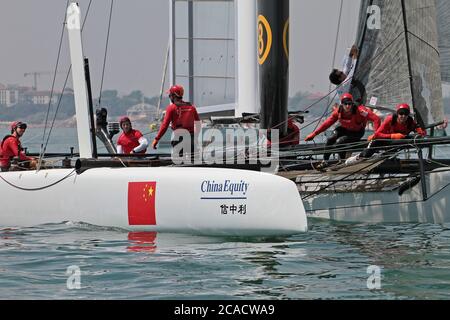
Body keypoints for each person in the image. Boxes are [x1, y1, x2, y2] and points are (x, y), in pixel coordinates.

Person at [305, 93, 381, 170]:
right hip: (345, 129)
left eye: (349, 104)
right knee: (330, 139)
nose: (347, 106)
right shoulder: (338, 111)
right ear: (342, 104)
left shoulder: (360, 110)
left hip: (357, 132)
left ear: (352, 103)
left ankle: (342, 161)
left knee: (339, 142)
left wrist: (376, 135)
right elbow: (327, 124)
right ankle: (325, 161)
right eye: (345, 104)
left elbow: (376, 119)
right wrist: (314, 134)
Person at [345, 103, 427, 165]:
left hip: (397, 143)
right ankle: (355, 159)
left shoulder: (410, 122)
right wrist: (393, 136)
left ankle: (383, 158)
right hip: (385, 140)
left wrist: (421, 132)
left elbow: (421, 132)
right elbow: (377, 134)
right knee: (368, 153)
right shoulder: (390, 119)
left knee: (414, 140)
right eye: (401, 113)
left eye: (406, 113)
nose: (403, 116)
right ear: (397, 113)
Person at [152, 85, 200, 155]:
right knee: (194, 162)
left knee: (178, 162)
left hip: (179, 138)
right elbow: (198, 123)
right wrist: (195, 137)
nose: (169, 97)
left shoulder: (171, 108)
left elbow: (165, 125)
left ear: (174, 96)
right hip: (191, 138)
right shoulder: (191, 107)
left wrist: (156, 139)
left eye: (170, 95)